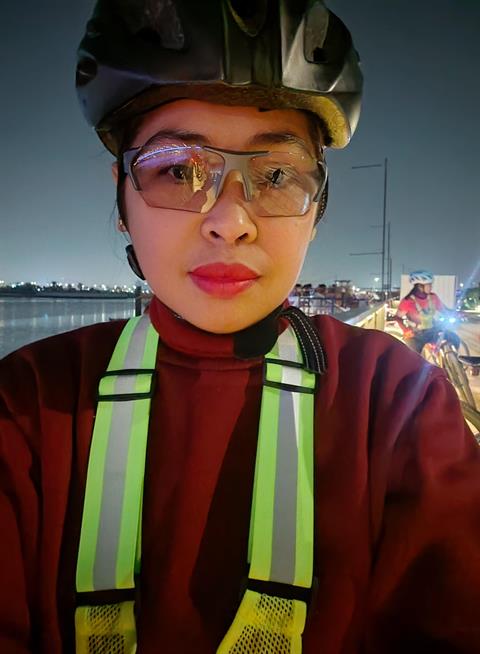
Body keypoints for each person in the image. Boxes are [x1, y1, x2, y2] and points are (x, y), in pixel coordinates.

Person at [1, 2, 480, 653]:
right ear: (121, 196)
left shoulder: (396, 403)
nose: (230, 222)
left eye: (276, 175)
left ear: (318, 208)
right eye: (178, 170)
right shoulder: (28, 405)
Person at [395, 270, 461, 353]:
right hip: (416, 335)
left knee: (455, 339)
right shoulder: (408, 301)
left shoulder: (433, 297)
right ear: (420, 286)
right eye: (429, 285)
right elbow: (397, 317)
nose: (431, 287)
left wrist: (456, 313)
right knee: (414, 357)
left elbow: (444, 310)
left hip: (433, 330)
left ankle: (446, 357)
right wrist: (405, 330)